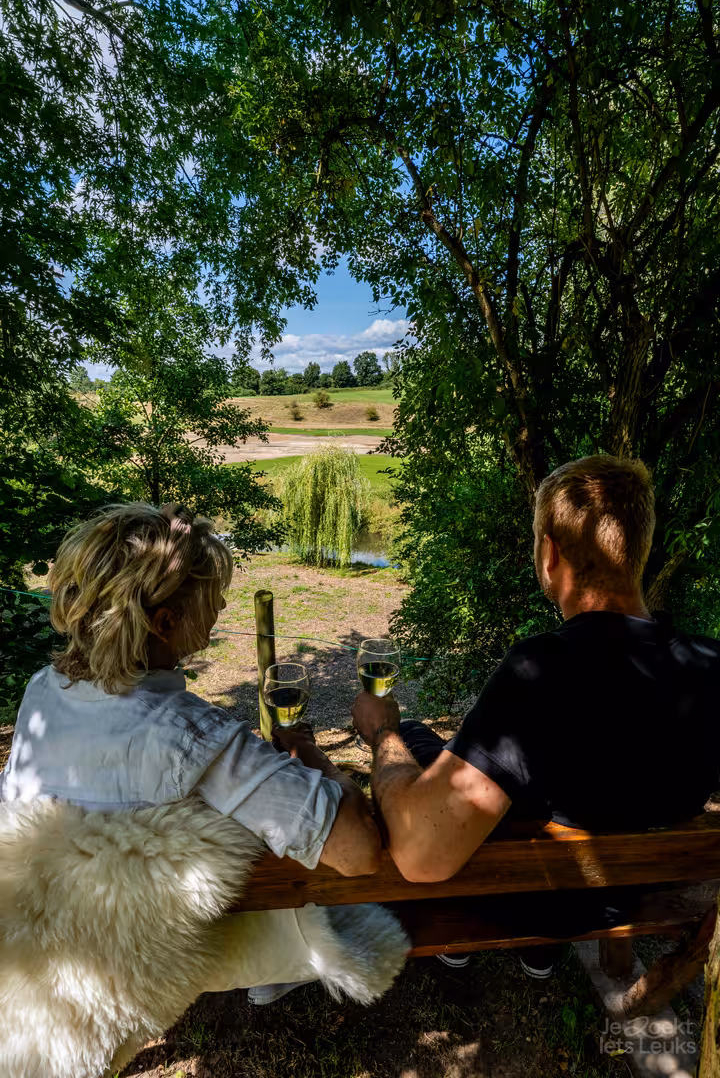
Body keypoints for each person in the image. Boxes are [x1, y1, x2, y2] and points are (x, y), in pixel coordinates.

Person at [0, 503, 408, 1076]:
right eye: (213, 599)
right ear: (165, 623)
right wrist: (319, 759)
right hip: (128, 982)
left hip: (37, 969)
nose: (220, 609)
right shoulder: (192, 737)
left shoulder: (43, 690)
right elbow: (358, 851)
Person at [352, 454, 720, 977]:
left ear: (549, 555)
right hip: (636, 898)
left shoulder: (542, 668)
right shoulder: (711, 666)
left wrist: (382, 731)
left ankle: (461, 944)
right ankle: (541, 956)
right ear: (640, 552)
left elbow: (420, 854)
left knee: (409, 737)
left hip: (528, 899)